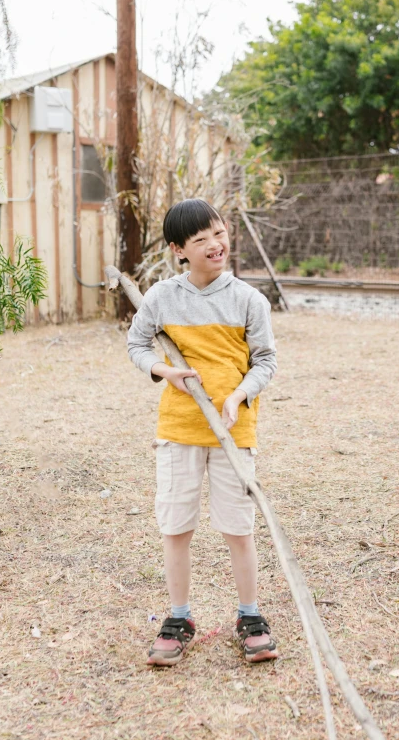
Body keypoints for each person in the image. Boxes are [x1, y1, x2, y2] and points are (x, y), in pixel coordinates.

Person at [127, 198, 278, 666]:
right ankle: (179, 618)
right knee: (177, 526)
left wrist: (236, 397)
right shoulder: (162, 297)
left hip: (235, 433)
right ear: (179, 250)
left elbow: (266, 361)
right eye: (201, 240)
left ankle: (249, 617)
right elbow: (136, 342)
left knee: (238, 527)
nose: (216, 245)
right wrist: (162, 371)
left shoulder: (249, 300)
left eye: (219, 233)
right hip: (179, 429)